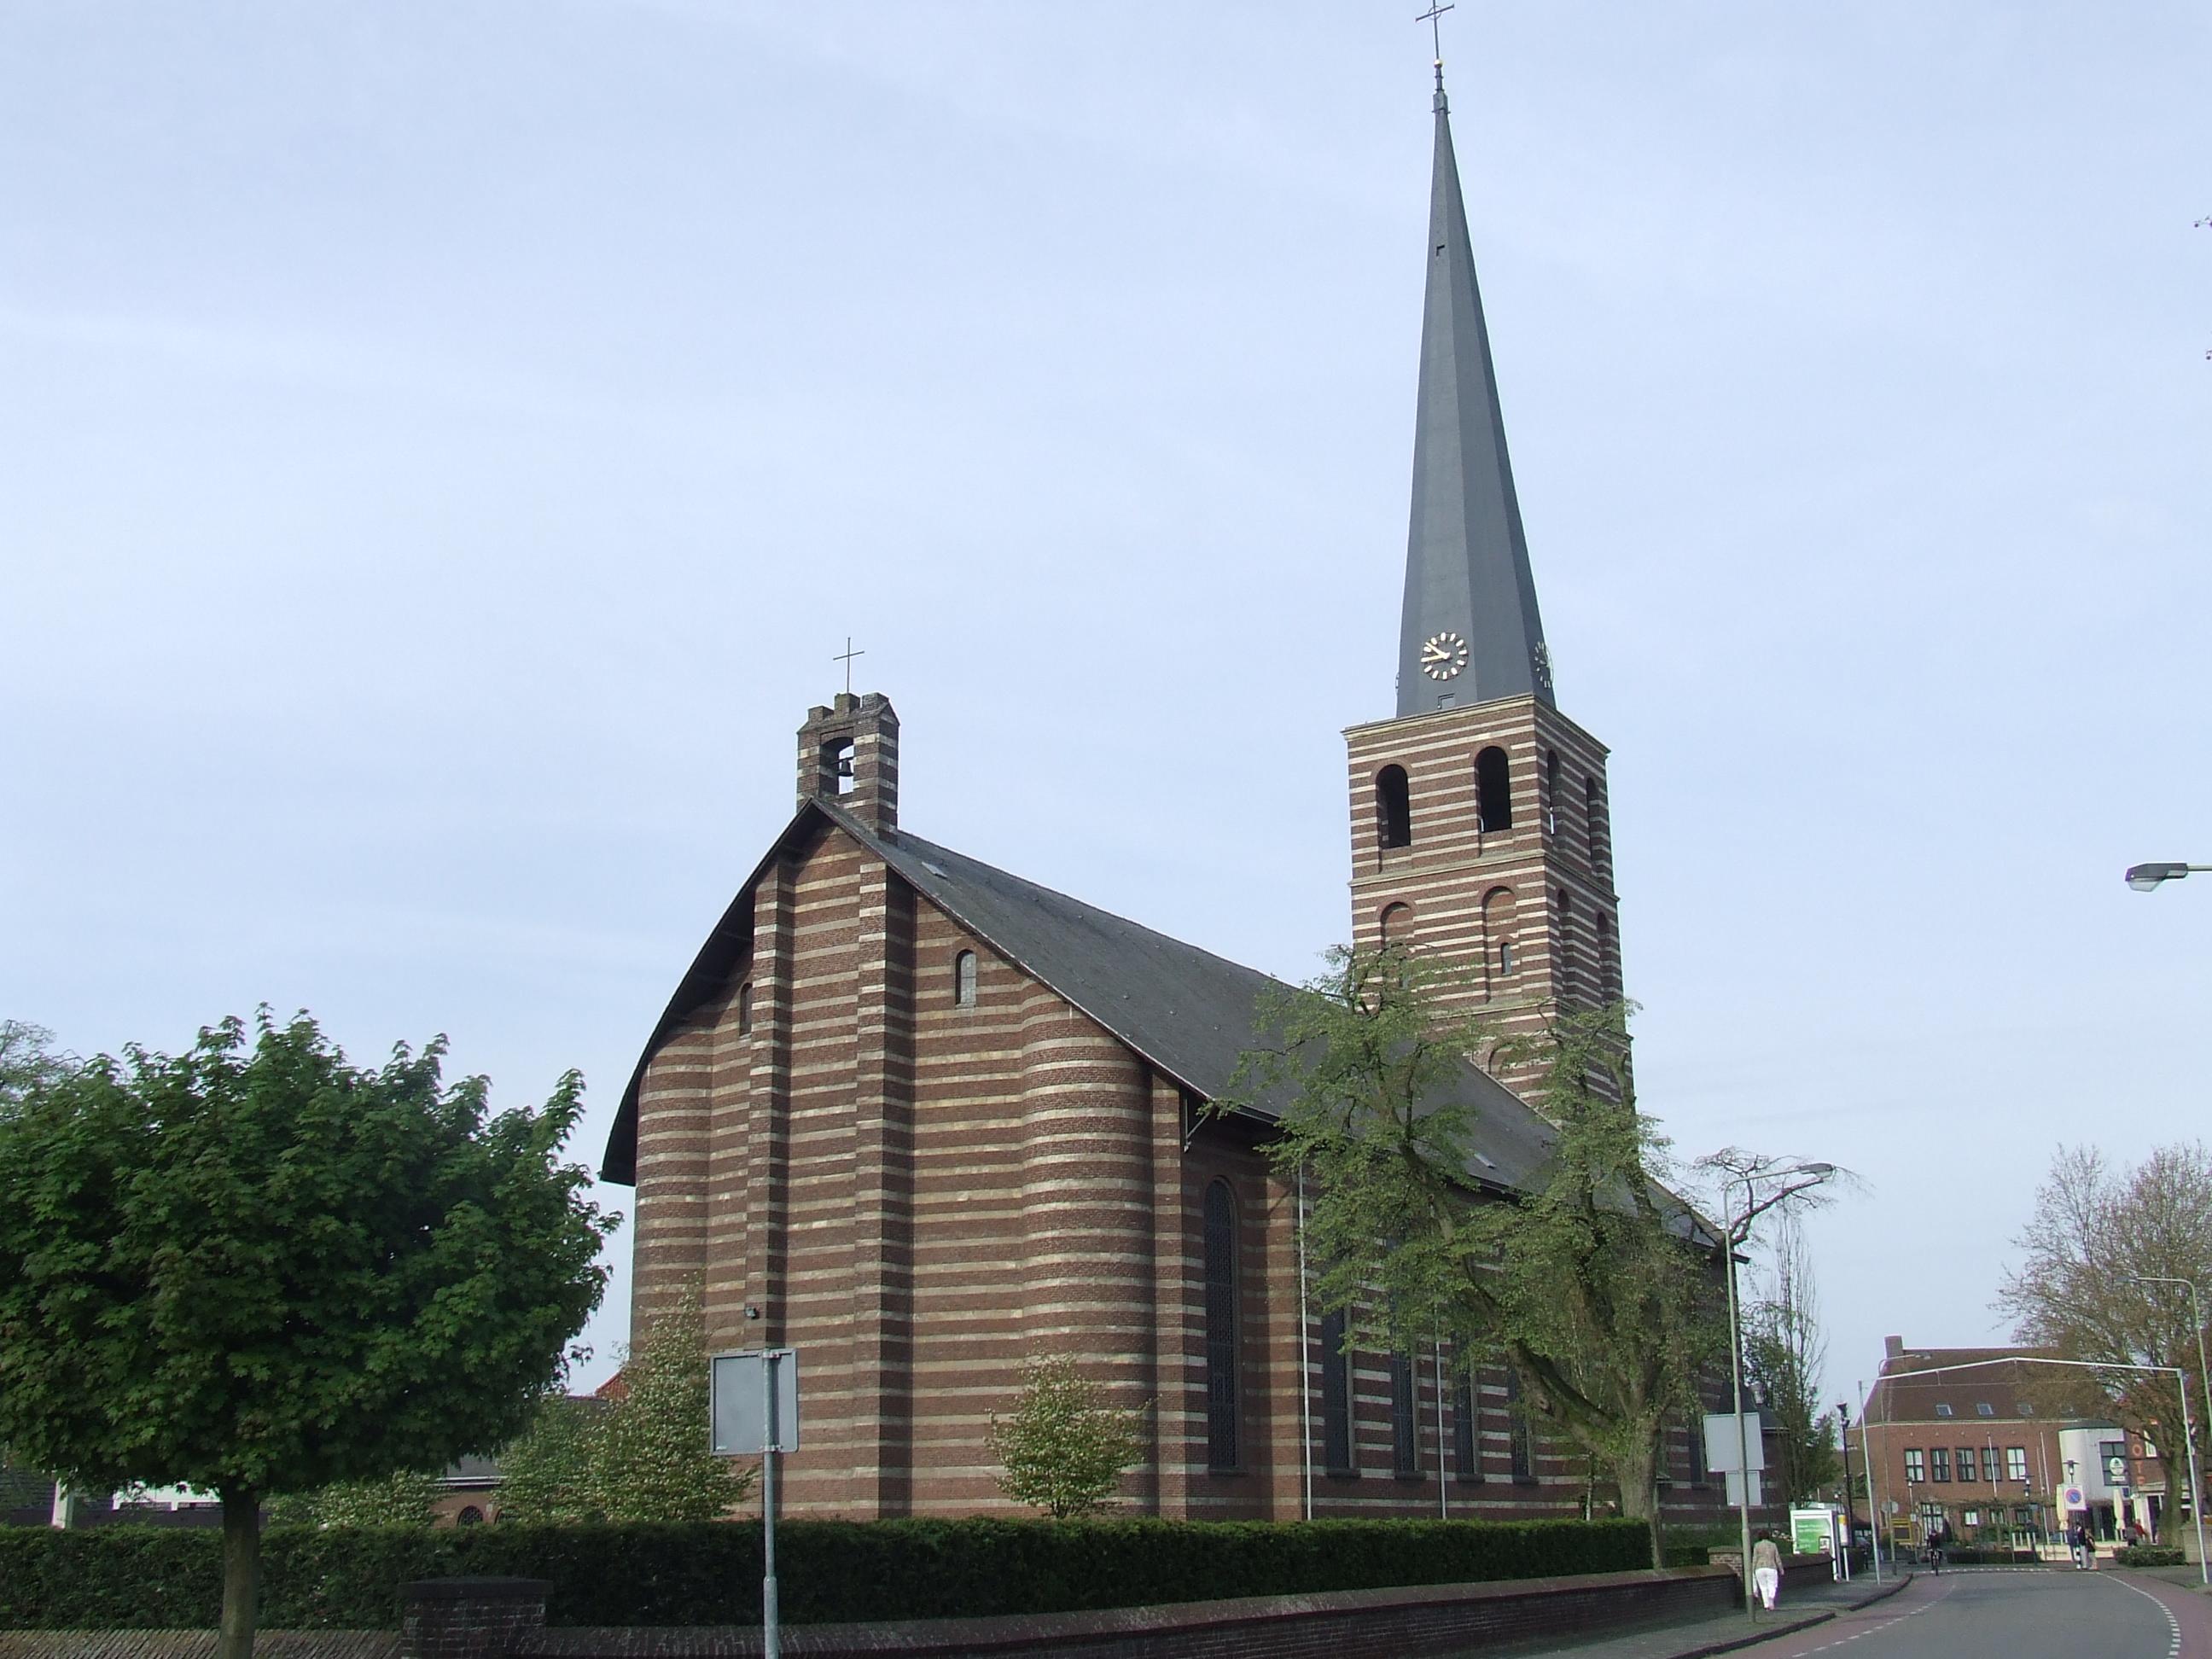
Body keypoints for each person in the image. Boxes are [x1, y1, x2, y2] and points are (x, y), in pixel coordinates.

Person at [1750, 1531, 1784, 1612]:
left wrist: (1753, 1569)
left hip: (1759, 1568)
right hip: (1771, 1567)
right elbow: (1777, 1558)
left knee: (1763, 1587)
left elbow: (1755, 1558)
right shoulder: (1773, 1545)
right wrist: (1781, 1569)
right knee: (1772, 1585)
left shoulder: (1757, 1545)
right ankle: (1771, 1598)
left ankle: (1766, 1606)